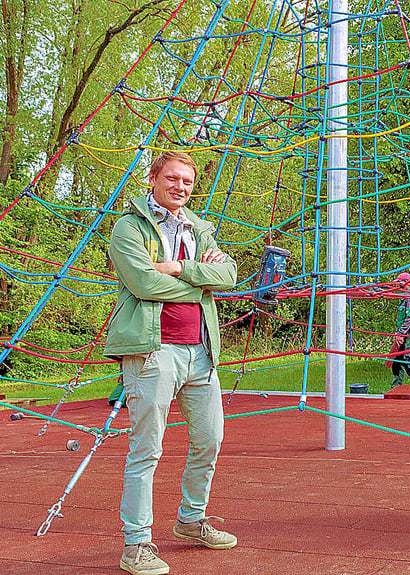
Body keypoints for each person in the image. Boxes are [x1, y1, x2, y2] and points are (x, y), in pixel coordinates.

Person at [104, 151, 239, 575]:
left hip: (201, 351)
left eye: (187, 181)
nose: (180, 187)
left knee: (210, 439)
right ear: (153, 178)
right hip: (154, 350)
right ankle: (136, 544)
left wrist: (179, 266)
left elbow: (230, 275)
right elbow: (143, 283)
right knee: (146, 448)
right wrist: (200, 283)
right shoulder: (129, 227)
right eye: (172, 178)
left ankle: (191, 519)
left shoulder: (199, 228)